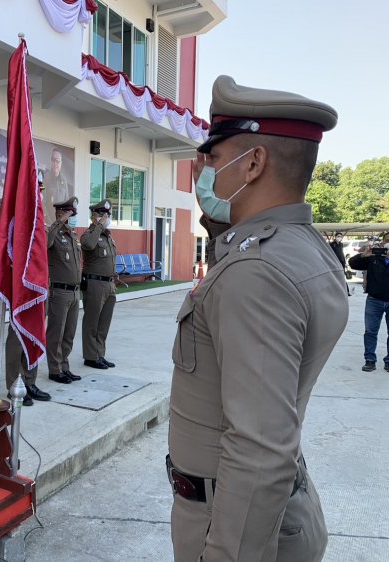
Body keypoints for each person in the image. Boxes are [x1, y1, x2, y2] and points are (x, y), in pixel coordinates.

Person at [167, 75, 348, 562]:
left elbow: (260, 450)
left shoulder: (257, 272)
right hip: (267, 514)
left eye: (213, 158)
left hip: (231, 525)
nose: (203, 170)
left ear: (253, 164)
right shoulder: (301, 248)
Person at [0, 198, 51, 405]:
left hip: (38, 287)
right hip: (20, 288)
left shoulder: (38, 221)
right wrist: (15, 195)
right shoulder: (15, 220)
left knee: (34, 333)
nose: (36, 195)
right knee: (17, 336)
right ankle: (15, 384)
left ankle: (29, 382)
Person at [46, 196, 82, 384]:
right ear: (61, 214)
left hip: (75, 292)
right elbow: (45, 242)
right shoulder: (54, 234)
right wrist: (58, 222)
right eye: (70, 214)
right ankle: (54, 369)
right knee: (56, 332)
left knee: (69, 332)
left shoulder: (73, 237)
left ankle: (64, 366)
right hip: (59, 292)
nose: (73, 217)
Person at [81, 199, 117, 370]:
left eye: (107, 215)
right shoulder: (90, 234)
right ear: (94, 216)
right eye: (102, 214)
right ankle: (90, 356)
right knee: (92, 322)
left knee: (104, 324)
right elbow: (88, 244)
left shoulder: (107, 236)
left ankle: (99, 354)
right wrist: (99, 226)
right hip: (95, 283)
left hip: (109, 284)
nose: (106, 218)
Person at [348, 233, 389, 372]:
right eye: (387, 241)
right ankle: (370, 360)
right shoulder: (373, 258)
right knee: (371, 331)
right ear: (382, 243)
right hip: (374, 300)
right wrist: (364, 255)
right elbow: (352, 264)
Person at [42, 148, 71, 225]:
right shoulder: (45, 178)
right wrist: (50, 223)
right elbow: (42, 203)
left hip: (61, 224)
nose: (55, 163)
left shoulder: (64, 180)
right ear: (51, 161)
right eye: (53, 160)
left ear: (61, 163)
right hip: (49, 224)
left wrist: (64, 221)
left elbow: (67, 203)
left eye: (58, 161)